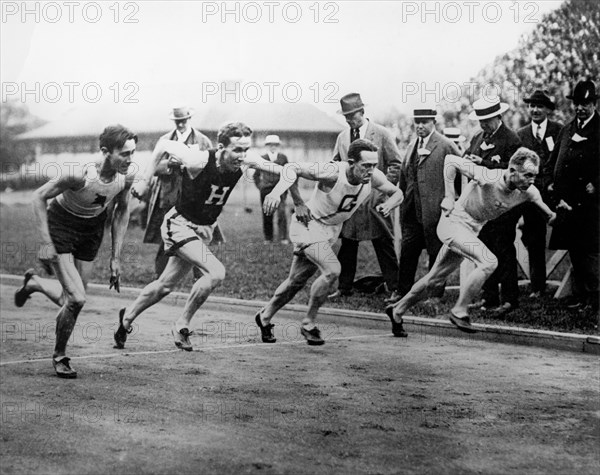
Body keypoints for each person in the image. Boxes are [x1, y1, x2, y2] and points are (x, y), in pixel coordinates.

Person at [114, 122, 288, 352]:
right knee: (215, 272)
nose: (242, 155)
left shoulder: (247, 159)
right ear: (221, 146)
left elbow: (288, 172)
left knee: (165, 285)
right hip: (179, 224)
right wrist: (145, 179)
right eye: (237, 149)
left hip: (203, 229)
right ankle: (182, 325)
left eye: (246, 149)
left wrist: (278, 192)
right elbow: (163, 144)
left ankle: (126, 319)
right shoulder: (199, 159)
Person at [386, 148, 556, 335]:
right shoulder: (488, 176)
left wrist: (554, 216)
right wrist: (449, 196)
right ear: (512, 170)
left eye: (534, 176)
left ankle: (397, 310)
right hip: (453, 222)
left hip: (471, 230)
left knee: (435, 280)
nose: (531, 180)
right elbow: (450, 160)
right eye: (528, 175)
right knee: (489, 261)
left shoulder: (530, 192)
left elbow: (548, 213)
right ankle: (460, 310)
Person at [13, 125, 137, 378]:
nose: (129, 159)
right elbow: (38, 197)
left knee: (68, 300)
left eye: (132, 153)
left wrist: (115, 258)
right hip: (61, 225)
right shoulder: (79, 174)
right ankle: (60, 355)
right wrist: (47, 243)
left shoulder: (127, 176)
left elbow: (122, 211)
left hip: (91, 230)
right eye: (124, 154)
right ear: (105, 152)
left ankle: (34, 284)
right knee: (77, 299)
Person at [256, 139, 404, 345]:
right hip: (308, 224)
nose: (371, 170)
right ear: (351, 162)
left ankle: (264, 317)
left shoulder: (373, 177)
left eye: (374, 165)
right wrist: (294, 200)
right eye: (366, 166)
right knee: (332, 270)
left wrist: (389, 204)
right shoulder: (332, 172)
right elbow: (290, 168)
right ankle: (309, 323)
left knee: (295, 281)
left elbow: (398, 192)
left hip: (330, 230)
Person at [330, 93, 402, 301]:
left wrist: (383, 192)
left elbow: (396, 163)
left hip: (375, 200)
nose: (348, 119)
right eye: (346, 116)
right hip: (351, 200)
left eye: (352, 115)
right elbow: (336, 163)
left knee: (383, 243)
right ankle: (344, 287)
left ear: (362, 112)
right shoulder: (342, 137)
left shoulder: (381, 133)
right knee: (348, 245)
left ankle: (394, 287)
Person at [395, 107, 460, 306]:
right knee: (408, 253)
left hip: (436, 212)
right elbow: (405, 177)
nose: (421, 126)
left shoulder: (445, 145)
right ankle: (402, 293)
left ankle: (434, 294)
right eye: (418, 122)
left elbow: (461, 174)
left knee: (436, 253)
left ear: (434, 122)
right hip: (412, 212)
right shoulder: (412, 146)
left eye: (425, 122)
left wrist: (453, 200)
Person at [465, 96, 522, 316]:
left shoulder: (511, 139)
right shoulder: (478, 138)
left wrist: (485, 164)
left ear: (498, 116)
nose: (483, 125)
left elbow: (515, 171)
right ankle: (488, 297)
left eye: (487, 120)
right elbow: (467, 159)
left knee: (504, 250)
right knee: (484, 249)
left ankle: (509, 299)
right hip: (482, 205)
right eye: (480, 121)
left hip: (504, 205)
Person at [549, 79, 599, 312]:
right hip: (568, 203)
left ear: (594, 104)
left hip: (591, 204)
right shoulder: (567, 129)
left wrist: (597, 185)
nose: (580, 108)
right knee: (575, 251)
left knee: (591, 253)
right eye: (578, 103)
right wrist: (550, 183)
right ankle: (580, 295)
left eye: (586, 104)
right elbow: (553, 161)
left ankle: (594, 299)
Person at [144, 106, 212, 278]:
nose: (181, 124)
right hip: (169, 195)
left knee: (197, 234)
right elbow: (153, 166)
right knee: (165, 235)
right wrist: (169, 164)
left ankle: (201, 274)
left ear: (189, 119)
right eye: (177, 121)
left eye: (183, 121)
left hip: (194, 196)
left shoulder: (203, 140)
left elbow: (211, 167)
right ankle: (161, 276)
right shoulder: (165, 140)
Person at [517, 90, 563, 297]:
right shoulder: (521, 134)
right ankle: (538, 286)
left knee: (569, 236)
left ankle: (578, 287)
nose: (535, 110)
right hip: (531, 194)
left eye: (539, 106)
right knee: (534, 239)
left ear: (547, 110)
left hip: (554, 192)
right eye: (532, 106)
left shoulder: (559, 131)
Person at [254, 134, 289, 244]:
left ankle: (283, 237)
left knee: (281, 213)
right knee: (267, 214)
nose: (273, 147)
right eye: (270, 145)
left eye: (275, 145)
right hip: (266, 190)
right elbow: (256, 175)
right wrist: (260, 186)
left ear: (278, 146)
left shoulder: (283, 158)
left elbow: (287, 173)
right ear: (267, 146)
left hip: (280, 190)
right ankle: (268, 238)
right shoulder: (262, 158)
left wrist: (284, 186)